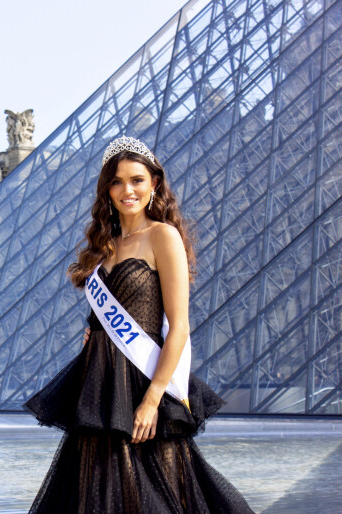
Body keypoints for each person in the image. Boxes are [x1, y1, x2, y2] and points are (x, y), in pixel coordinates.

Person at [24, 136, 253, 513]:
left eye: (137, 180)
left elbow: (179, 326)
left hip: (143, 381)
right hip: (98, 386)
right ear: (107, 189)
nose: (126, 190)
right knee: (93, 495)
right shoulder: (105, 244)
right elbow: (104, 313)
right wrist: (91, 331)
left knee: (158, 496)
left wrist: (153, 399)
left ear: (154, 185)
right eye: (117, 181)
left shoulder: (163, 236)